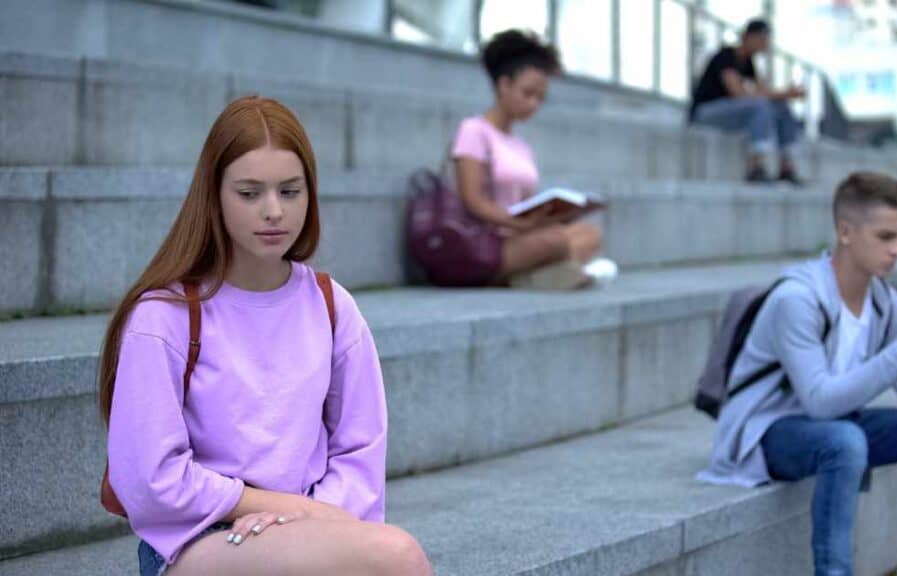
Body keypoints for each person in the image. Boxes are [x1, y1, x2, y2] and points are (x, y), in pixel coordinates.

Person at [100, 96, 433, 576]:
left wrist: (308, 514)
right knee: (397, 557)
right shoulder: (166, 315)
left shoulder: (330, 304)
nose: (273, 211)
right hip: (200, 538)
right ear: (213, 195)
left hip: (314, 523)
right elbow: (150, 478)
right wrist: (269, 507)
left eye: (290, 191)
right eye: (250, 193)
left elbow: (359, 449)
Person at [699, 172, 897, 576]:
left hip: (835, 426)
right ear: (845, 231)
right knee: (844, 441)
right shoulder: (798, 300)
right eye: (885, 237)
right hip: (765, 430)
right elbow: (820, 401)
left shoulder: (883, 301)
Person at [448, 29, 615, 289]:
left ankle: (543, 274)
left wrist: (551, 216)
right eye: (528, 93)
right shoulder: (473, 130)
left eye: (540, 98)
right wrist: (515, 223)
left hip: (521, 236)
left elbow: (526, 202)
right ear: (504, 85)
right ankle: (561, 273)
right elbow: (473, 201)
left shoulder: (521, 146)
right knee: (556, 241)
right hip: (488, 243)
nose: (534, 104)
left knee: (590, 235)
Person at [690, 19, 806, 184]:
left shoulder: (749, 63)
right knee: (761, 106)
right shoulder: (726, 56)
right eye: (761, 39)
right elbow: (738, 93)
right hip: (705, 113)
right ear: (748, 37)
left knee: (780, 106)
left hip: (728, 112)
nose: (764, 44)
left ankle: (786, 167)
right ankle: (755, 167)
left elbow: (763, 91)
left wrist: (785, 95)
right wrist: (784, 93)